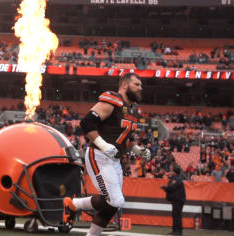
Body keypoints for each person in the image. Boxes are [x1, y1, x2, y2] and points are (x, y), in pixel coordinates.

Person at [63, 73, 151, 236]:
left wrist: (137, 150)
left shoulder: (131, 110)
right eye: (136, 84)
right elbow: (87, 122)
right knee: (116, 200)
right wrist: (102, 145)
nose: (140, 88)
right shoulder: (114, 99)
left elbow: (125, 140)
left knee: (113, 202)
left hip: (114, 160)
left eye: (141, 85)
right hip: (99, 155)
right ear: (124, 85)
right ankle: (74, 204)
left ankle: (75, 208)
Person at [160, 167, 186, 235]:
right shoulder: (175, 179)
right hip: (176, 200)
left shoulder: (177, 179)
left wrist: (164, 187)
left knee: (177, 215)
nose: (171, 172)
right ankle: (175, 230)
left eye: (172, 171)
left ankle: (178, 231)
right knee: (175, 215)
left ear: (175, 172)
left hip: (178, 200)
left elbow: (171, 187)